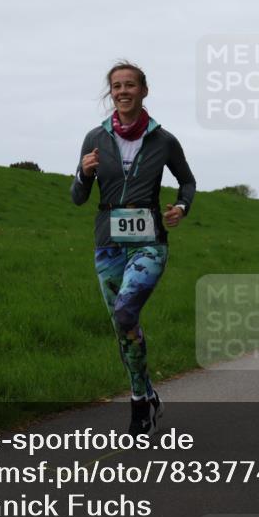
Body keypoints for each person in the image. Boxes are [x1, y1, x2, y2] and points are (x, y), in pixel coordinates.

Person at [71, 61, 196, 437]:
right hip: (108, 243)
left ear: (144, 90)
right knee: (122, 326)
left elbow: (187, 182)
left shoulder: (164, 140)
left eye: (130, 85)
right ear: (111, 93)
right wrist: (84, 172)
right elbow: (78, 197)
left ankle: (140, 401)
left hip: (148, 242)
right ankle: (142, 398)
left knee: (126, 311)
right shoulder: (95, 137)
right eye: (116, 86)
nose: (123, 91)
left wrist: (181, 207)